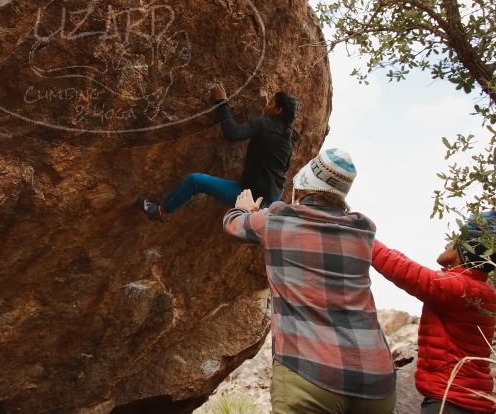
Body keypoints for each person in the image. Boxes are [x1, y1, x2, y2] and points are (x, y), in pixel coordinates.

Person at [223, 148, 396, 414]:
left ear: (306, 183)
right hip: (376, 381)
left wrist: (244, 209)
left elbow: (233, 224)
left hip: (310, 374)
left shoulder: (278, 219)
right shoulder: (363, 230)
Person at [371, 195, 496, 414]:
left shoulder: (459, 288)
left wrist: (362, 236)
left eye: (453, 241)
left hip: (450, 402)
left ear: (464, 251)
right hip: (470, 400)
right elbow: (406, 264)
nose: (446, 244)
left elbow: (402, 269)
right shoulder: (481, 290)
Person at [139, 85, 299, 222]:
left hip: (252, 200)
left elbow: (233, 134)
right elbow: (283, 167)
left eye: (271, 103)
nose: (267, 104)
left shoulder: (266, 123)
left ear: (279, 110)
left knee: (195, 181)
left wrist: (222, 103)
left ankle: (159, 211)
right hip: (273, 198)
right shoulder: (290, 136)